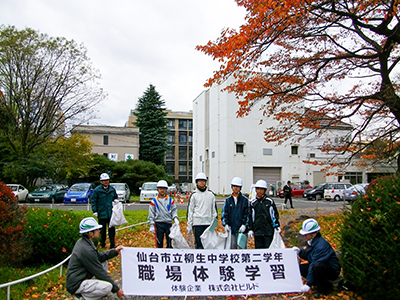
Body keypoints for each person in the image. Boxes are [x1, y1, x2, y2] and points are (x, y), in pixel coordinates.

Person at [66, 217, 124, 300]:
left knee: (104, 262)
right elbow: (98, 271)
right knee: (108, 287)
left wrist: (114, 251)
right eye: (96, 229)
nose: (99, 231)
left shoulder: (85, 242)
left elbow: (99, 257)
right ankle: (82, 297)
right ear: (90, 233)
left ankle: (91, 292)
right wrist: (116, 289)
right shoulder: (86, 249)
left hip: (80, 278)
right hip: (76, 284)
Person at [293, 218, 341, 297]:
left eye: (306, 234)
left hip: (332, 270)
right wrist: (300, 252)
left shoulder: (321, 246)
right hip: (320, 265)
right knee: (302, 268)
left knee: (317, 266)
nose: (304, 236)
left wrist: (308, 284)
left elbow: (314, 262)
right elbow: (310, 256)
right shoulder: (312, 242)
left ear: (313, 233)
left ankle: (323, 289)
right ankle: (321, 284)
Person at [187, 172, 217, 249]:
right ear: (197, 182)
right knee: (199, 244)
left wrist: (213, 223)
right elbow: (190, 210)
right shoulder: (194, 195)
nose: (201, 183)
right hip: (197, 223)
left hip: (208, 223)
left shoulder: (211, 195)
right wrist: (189, 224)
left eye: (203, 181)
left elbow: (214, 210)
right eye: (200, 181)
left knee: (208, 245)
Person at [248, 179, 280, 249]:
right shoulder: (253, 203)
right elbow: (251, 217)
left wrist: (276, 226)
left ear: (265, 190)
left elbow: (274, 215)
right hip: (258, 232)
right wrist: (250, 229)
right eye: (257, 189)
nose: (259, 191)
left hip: (268, 231)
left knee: (269, 250)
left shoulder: (269, 202)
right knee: (259, 251)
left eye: (261, 189)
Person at [148, 180, 179, 248]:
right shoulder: (154, 201)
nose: (162, 190)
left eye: (164, 189)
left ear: (166, 190)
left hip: (168, 223)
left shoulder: (170, 200)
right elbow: (151, 214)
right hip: (159, 223)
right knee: (159, 243)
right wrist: (152, 225)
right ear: (158, 189)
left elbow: (174, 210)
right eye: (160, 189)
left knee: (170, 243)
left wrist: (175, 218)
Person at [91, 173, 118, 249]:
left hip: (111, 213)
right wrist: (95, 211)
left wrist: (116, 201)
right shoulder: (97, 190)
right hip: (102, 213)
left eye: (107, 180)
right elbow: (93, 201)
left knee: (112, 230)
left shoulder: (112, 189)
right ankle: (103, 244)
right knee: (102, 231)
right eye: (104, 180)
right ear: (101, 181)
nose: (106, 182)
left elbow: (115, 197)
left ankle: (112, 244)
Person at [222, 177, 250, 249]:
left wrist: (244, 225)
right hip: (232, 229)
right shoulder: (228, 200)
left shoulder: (245, 200)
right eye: (234, 186)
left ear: (240, 188)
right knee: (232, 248)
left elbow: (247, 213)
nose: (236, 188)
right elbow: (225, 213)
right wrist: (226, 224)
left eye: (237, 187)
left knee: (242, 248)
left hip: (242, 230)